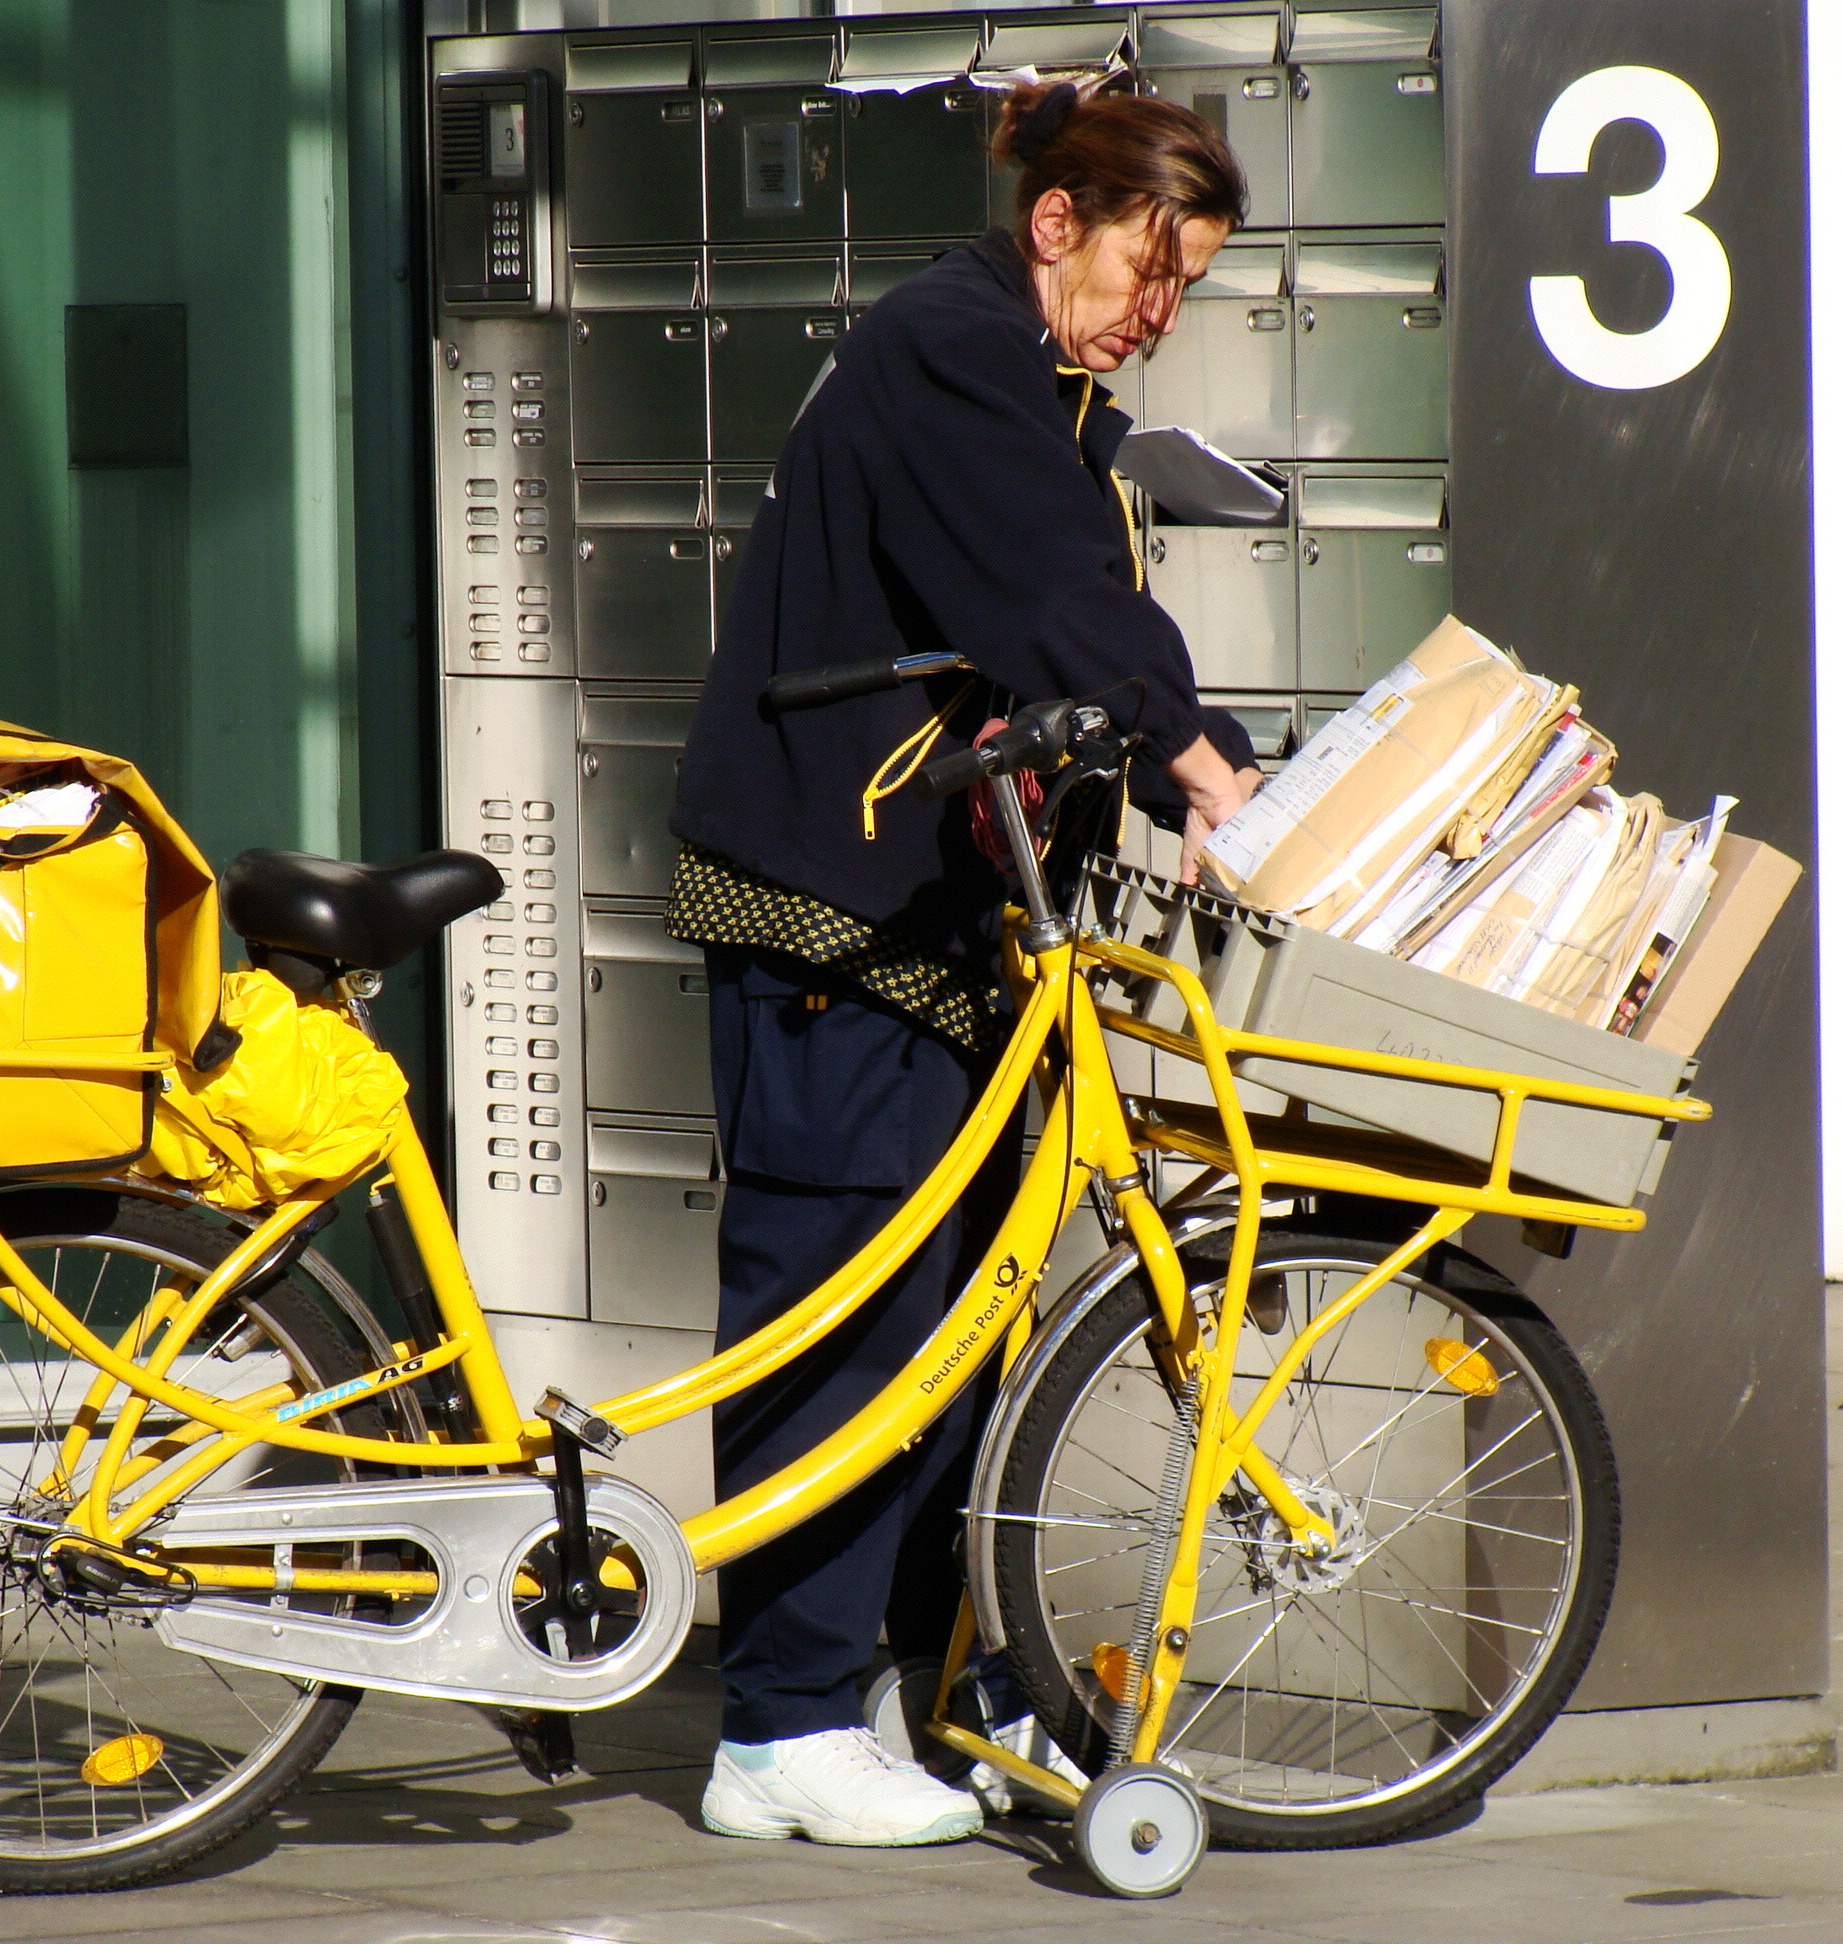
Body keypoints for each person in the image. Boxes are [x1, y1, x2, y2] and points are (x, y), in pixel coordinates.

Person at [665, 79, 1265, 1848]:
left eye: (1190, 291)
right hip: (838, 900)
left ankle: (908, 1680)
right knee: (842, 1310)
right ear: (1059, 222)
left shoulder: (1032, 374)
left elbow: (1069, 611)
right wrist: (1201, 764)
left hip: (933, 905)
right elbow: (1047, 596)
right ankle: (774, 1727)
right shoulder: (954, 345)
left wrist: (1195, 735)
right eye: (1151, 269)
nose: (1160, 317)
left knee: (947, 1318)